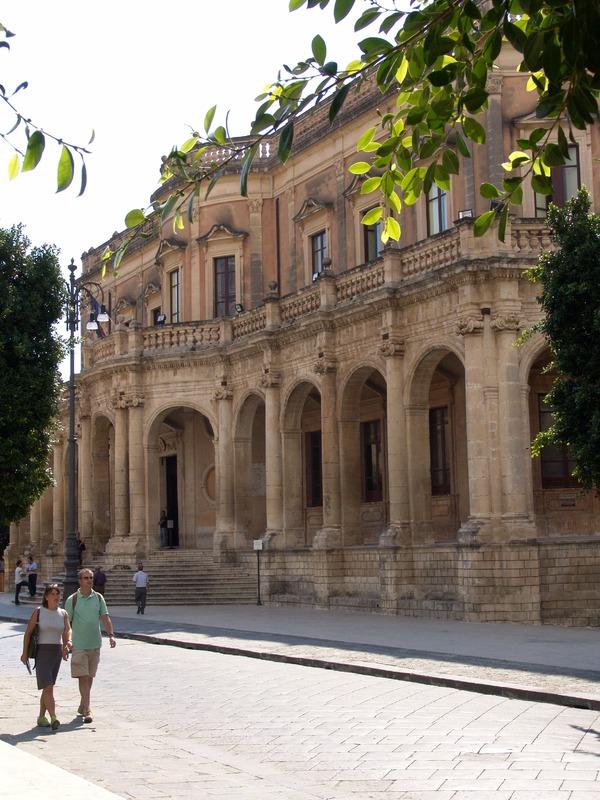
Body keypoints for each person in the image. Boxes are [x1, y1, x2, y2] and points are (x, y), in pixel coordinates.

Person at [64, 568, 116, 724]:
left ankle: (82, 703)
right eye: (86, 578)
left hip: (95, 643)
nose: (89, 580)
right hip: (78, 644)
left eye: (91, 578)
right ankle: (88, 709)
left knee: (90, 676)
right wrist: (67, 641)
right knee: (83, 677)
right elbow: (67, 624)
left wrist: (111, 635)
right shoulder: (72, 599)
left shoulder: (99, 598)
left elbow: (105, 618)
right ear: (79, 581)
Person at [20, 584, 71, 730]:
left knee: (47, 686)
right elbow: (28, 633)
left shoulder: (63, 613)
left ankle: (41, 717)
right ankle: (54, 717)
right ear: (46, 597)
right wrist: (24, 653)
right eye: (53, 594)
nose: (56, 596)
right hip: (42, 652)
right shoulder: (39, 612)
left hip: (56, 653)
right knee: (48, 686)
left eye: (58, 594)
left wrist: (68, 643)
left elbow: (67, 630)